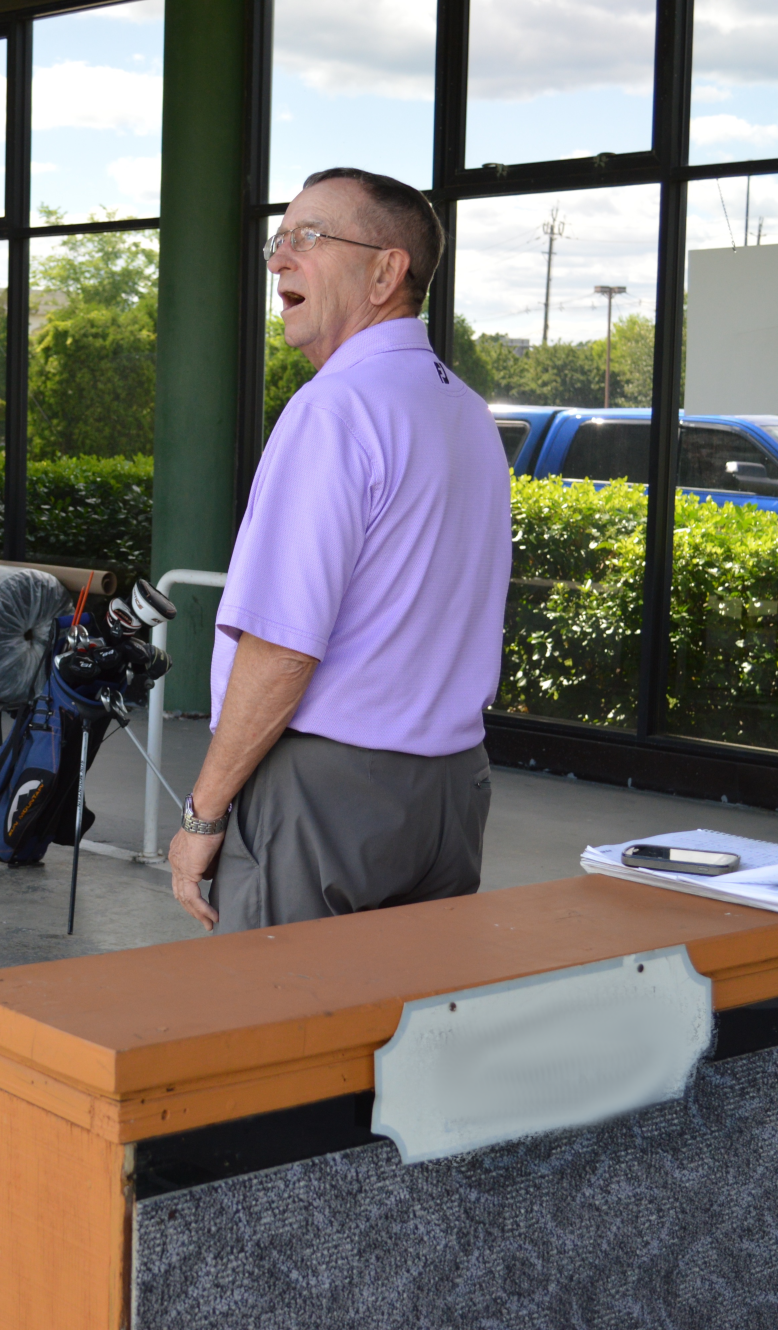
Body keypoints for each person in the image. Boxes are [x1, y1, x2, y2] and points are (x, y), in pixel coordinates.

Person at [167, 167, 511, 934]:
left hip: (327, 799)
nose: (278, 258)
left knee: (279, 1031)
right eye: (278, 238)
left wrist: (203, 814)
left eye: (309, 237)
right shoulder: (465, 410)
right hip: (452, 792)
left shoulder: (335, 410)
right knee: (405, 1038)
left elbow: (283, 647)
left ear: (387, 271)